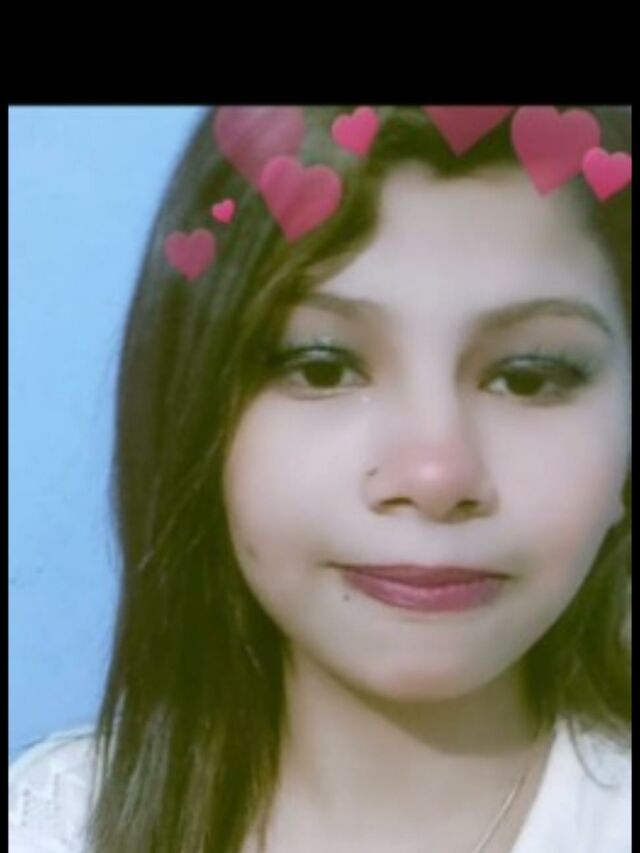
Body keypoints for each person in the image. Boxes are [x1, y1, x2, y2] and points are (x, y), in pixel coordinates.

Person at [9, 105, 631, 853]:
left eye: (528, 377)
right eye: (323, 367)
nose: (435, 475)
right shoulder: (52, 826)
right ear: (196, 413)